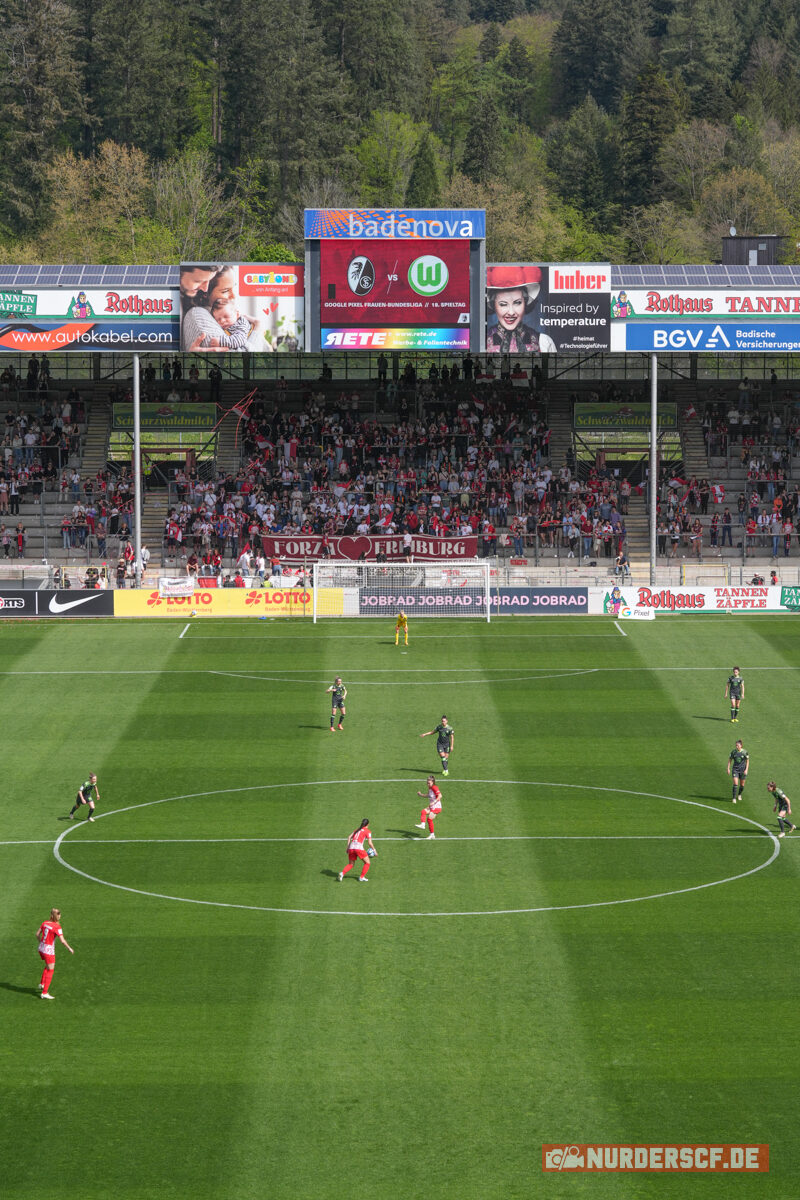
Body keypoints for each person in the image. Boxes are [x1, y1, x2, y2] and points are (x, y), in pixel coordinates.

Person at [485, 265, 556, 354]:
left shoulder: (544, 342)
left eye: (517, 303)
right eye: (503, 304)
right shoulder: (481, 341)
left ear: (525, 303)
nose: (511, 312)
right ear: (493, 304)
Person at [36, 907, 74, 999]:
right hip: (48, 950)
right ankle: (44, 993)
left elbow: (37, 934)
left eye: (60, 913)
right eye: (58, 913)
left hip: (41, 948)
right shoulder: (57, 927)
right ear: (54, 916)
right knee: (51, 970)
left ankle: (41, 984)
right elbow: (62, 940)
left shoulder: (45, 923)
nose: (60, 915)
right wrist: (69, 948)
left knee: (47, 966)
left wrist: (41, 943)